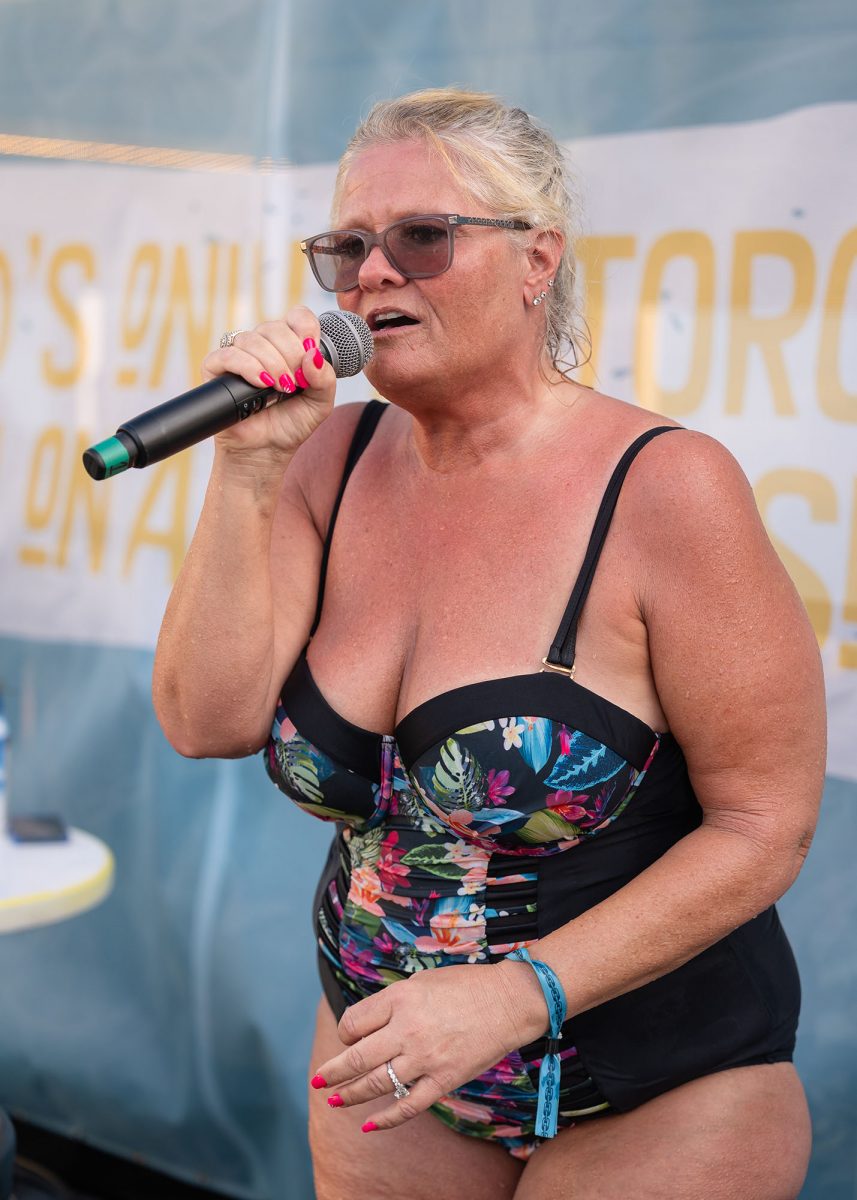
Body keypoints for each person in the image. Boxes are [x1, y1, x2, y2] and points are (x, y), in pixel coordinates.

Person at [152, 88, 826, 1200]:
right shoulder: (328, 459)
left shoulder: (667, 487)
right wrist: (247, 467)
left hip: (653, 1088)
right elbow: (202, 720)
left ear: (536, 259)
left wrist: (516, 994)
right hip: (389, 1075)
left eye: (422, 237)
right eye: (346, 248)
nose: (374, 273)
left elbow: (763, 827)